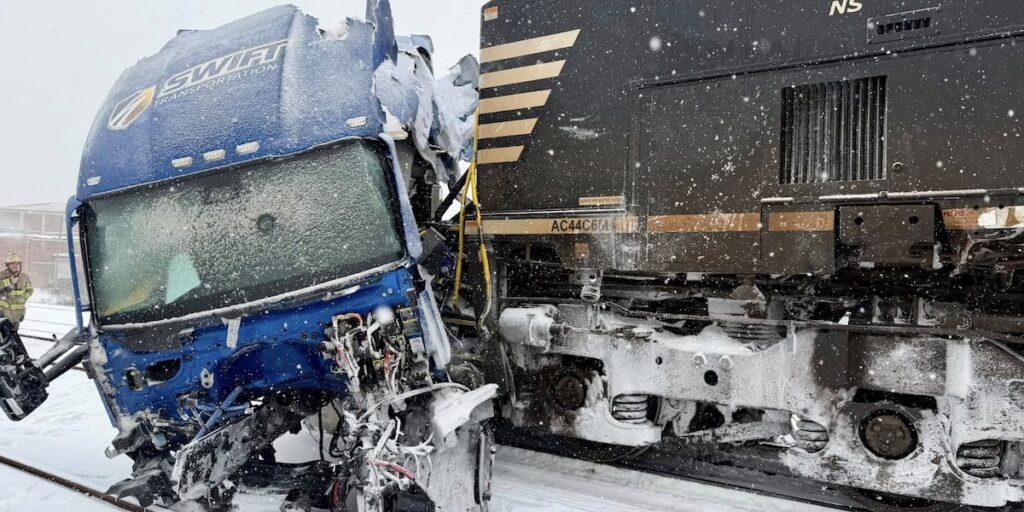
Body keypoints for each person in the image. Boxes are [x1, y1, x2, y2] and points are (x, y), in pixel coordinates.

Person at [0, 253, 33, 330]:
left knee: (13, 335)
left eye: (17, 264)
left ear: (20, 265)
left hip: (16, 315)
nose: (15, 266)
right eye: (12, 264)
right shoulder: (1, 275)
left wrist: (24, 298)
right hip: (2, 313)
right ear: (8, 266)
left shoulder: (24, 277)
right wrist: (8, 282)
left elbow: (30, 290)